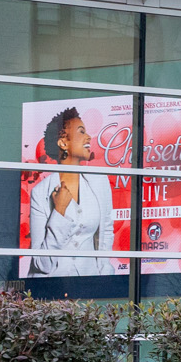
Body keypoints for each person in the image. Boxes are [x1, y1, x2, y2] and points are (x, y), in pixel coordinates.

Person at [27, 107, 114, 277]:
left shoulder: (100, 182)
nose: (88, 137)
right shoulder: (40, 193)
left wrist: (105, 276)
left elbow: (106, 232)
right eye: (81, 132)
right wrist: (59, 211)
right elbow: (42, 264)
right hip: (51, 291)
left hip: (91, 288)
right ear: (63, 143)